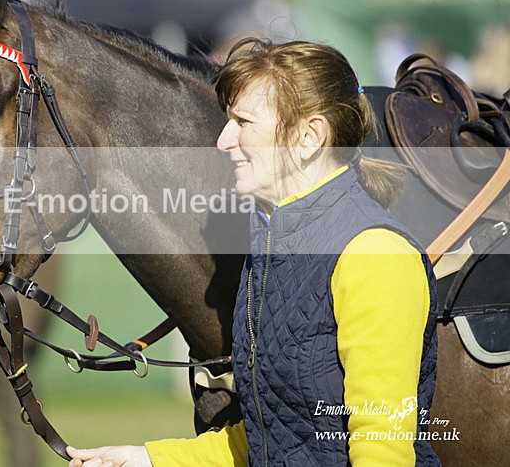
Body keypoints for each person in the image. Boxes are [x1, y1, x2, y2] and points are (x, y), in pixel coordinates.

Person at [67, 39, 439, 466]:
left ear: (309, 136)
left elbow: (382, 451)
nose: (224, 140)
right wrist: (148, 458)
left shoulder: (374, 257)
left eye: (243, 122)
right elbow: (274, 437)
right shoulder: (268, 249)